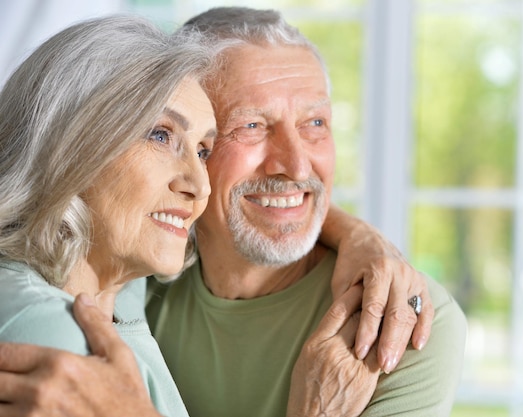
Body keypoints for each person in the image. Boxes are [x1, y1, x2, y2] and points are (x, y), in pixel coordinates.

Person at [142, 6, 467, 417]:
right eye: (252, 126)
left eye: (314, 123)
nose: (296, 165)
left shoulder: (402, 322)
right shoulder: (137, 281)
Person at [0, 14, 219, 416]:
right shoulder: (54, 337)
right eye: (160, 134)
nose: (200, 185)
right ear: (69, 143)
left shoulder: (105, 286)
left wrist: (356, 240)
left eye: (203, 151)